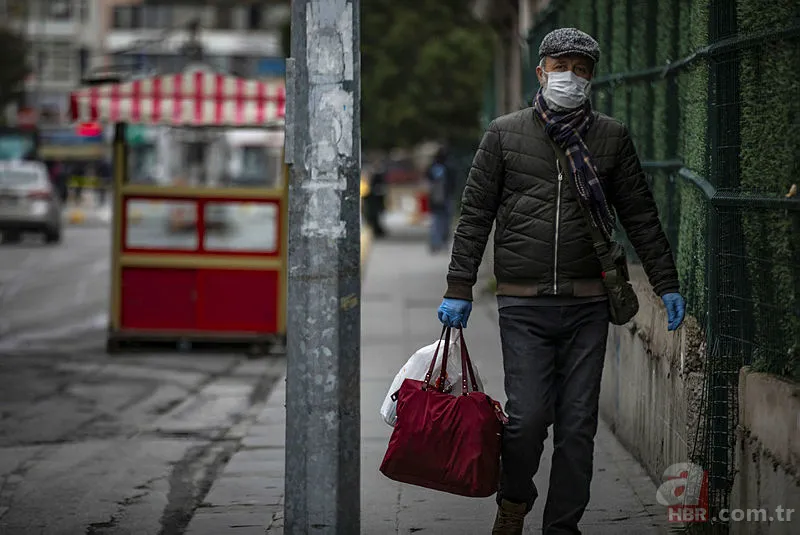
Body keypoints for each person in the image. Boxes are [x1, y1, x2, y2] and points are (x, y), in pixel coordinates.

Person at [436, 28, 686, 534]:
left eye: (581, 67)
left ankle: (562, 526)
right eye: (561, 65)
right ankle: (515, 497)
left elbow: (640, 216)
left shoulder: (611, 137)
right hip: (522, 306)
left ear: (593, 76)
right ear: (541, 71)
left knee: (577, 427)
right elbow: (475, 215)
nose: (570, 76)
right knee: (526, 420)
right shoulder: (504, 133)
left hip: (588, 306)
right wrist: (459, 287)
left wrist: (666, 282)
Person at [426, 146, 456, 253]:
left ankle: (435, 242)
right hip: (447, 197)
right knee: (446, 222)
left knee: (436, 220)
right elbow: (454, 182)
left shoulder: (433, 167)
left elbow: (428, 181)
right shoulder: (449, 166)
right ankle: (443, 242)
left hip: (435, 199)